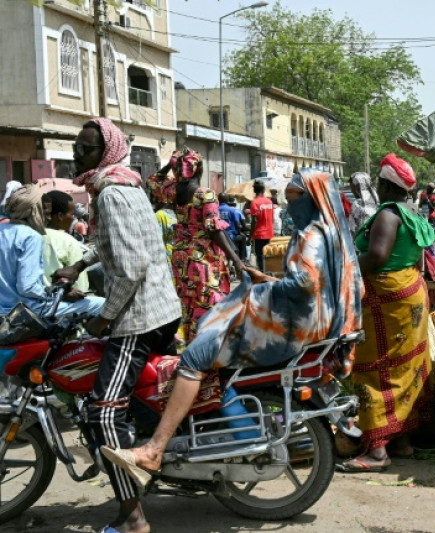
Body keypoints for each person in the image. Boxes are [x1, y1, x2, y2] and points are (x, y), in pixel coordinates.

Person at [98, 170, 362, 492]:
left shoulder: (312, 235)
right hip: (311, 321)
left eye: (294, 198)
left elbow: (304, 283)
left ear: (310, 198)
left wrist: (264, 289)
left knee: (196, 354)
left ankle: (153, 450)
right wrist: (267, 283)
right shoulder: (332, 231)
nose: (289, 205)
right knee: (215, 322)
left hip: (293, 326)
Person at [55, 118, 181, 533]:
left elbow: (129, 268)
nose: (78, 155)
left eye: (86, 149)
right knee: (146, 399)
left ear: (105, 151)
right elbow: (117, 243)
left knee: (104, 411)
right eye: (76, 148)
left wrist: (104, 317)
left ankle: (132, 517)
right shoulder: (125, 184)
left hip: (139, 317)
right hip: (161, 307)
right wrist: (80, 263)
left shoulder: (110, 193)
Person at [338, 153, 435, 472]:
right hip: (410, 291)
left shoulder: (387, 214)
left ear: (384, 185)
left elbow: (377, 256)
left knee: (374, 368)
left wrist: (346, 266)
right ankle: (402, 441)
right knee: (406, 366)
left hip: (386, 298)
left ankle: (377, 451)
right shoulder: (413, 212)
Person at [148, 149, 248, 344]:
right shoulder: (206, 194)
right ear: (198, 170)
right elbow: (213, 229)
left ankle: (193, 347)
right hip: (203, 258)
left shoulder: (173, 191)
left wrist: (171, 164)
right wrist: (236, 260)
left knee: (189, 306)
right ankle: (209, 352)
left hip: (181, 257)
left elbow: (153, 179)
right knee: (210, 305)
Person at [0, 185, 102, 316]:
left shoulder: (3, 230)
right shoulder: (31, 236)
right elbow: (27, 287)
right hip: (27, 309)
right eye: (46, 213)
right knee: (101, 305)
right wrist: (60, 295)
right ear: (34, 210)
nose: (48, 218)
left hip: (4, 309)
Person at [42, 190, 90, 292]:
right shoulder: (68, 241)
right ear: (60, 216)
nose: (73, 218)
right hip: (58, 301)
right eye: (72, 214)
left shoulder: (29, 235)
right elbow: (81, 286)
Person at [250, 179, 275, 268]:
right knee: (268, 256)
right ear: (264, 190)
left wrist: (250, 236)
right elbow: (272, 219)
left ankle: (262, 276)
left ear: (254, 190)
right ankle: (269, 274)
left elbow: (254, 221)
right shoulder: (270, 202)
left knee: (260, 257)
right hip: (270, 234)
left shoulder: (254, 202)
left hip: (259, 235)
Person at [218, 193, 247, 261]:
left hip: (219, 237)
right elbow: (237, 224)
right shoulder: (233, 210)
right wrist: (240, 232)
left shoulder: (215, 210)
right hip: (231, 236)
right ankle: (242, 259)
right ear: (227, 200)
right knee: (243, 237)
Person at [348, 171, 379, 236]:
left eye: (351, 185)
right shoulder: (377, 201)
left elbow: (352, 230)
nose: (351, 189)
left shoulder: (357, 204)